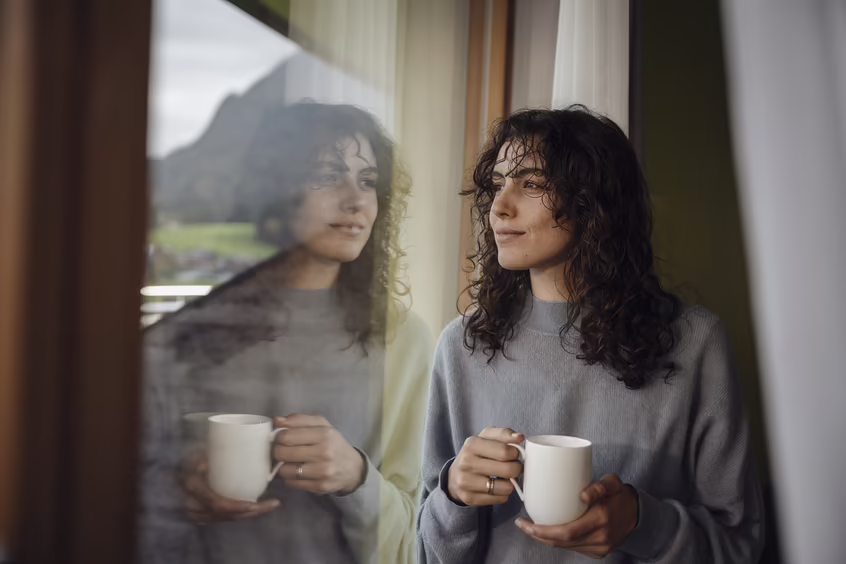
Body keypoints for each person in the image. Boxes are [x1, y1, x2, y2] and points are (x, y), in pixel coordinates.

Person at [417, 106, 764, 563]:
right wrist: (454, 496)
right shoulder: (461, 345)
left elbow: (740, 547)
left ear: (593, 199)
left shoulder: (695, 343)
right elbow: (425, 551)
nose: (500, 205)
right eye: (498, 183)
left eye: (531, 182)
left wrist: (644, 523)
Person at [139, 102, 433, 564]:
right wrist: (175, 491)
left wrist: (356, 476)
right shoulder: (185, 330)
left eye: (368, 181)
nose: (356, 200)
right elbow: (104, 492)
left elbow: (412, 540)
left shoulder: (404, 340)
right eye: (327, 175)